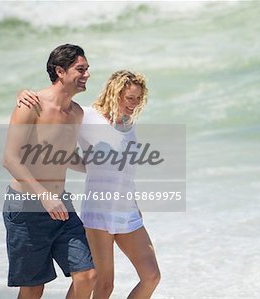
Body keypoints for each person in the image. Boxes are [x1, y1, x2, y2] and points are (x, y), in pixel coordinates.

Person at [18, 70, 160, 299]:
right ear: (114, 93)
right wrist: (24, 94)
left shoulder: (128, 123)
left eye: (138, 99)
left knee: (151, 276)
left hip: (127, 211)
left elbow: (124, 171)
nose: (134, 104)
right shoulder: (86, 116)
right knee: (104, 285)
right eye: (129, 98)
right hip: (99, 212)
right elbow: (52, 113)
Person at [2, 44, 96, 299]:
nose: (87, 74)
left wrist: (101, 167)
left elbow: (66, 156)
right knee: (33, 288)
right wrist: (44, 195)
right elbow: (10, 158)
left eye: (87, 69)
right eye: (81, 69)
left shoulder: (75, 113)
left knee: (87, 275)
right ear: (60, 71)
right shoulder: (31, 104)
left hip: (61, 205)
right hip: (26, 206)